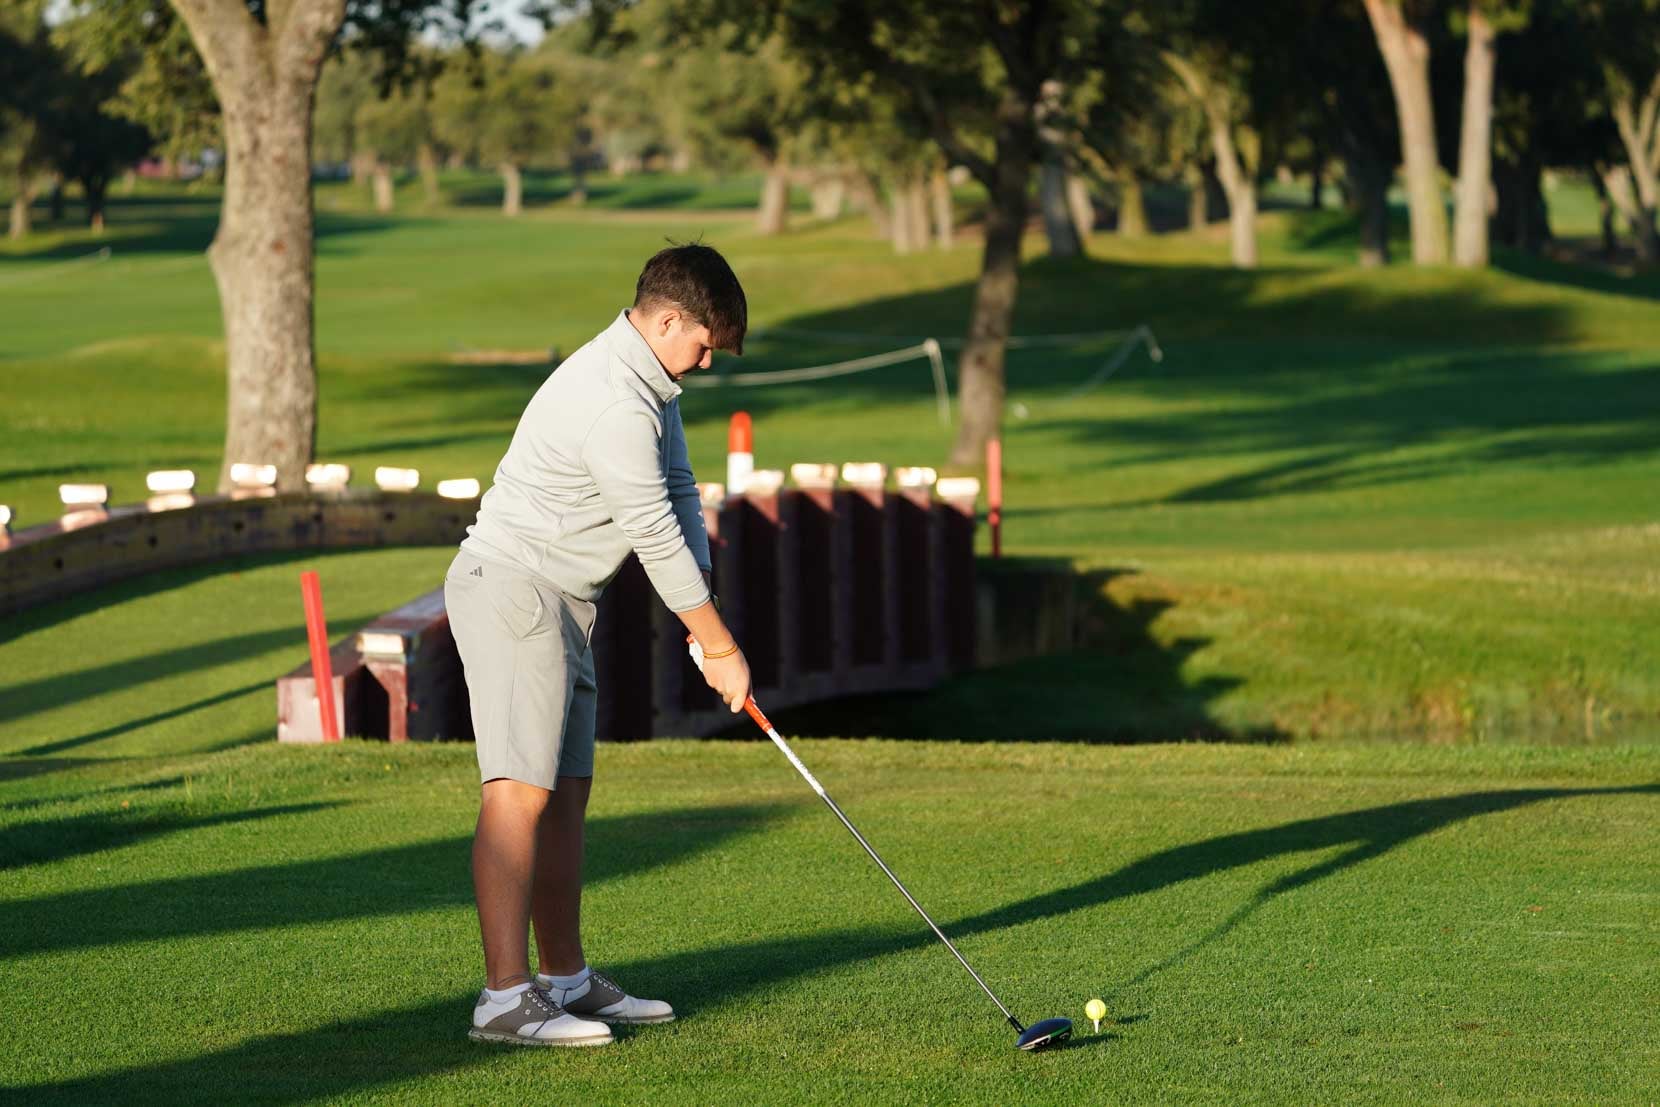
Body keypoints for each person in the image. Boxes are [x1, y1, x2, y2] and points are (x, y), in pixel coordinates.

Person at [444, 243, 753, 1047]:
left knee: (567, 792)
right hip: (516, 589)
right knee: (519, 790)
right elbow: (651, 532)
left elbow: (680, 492)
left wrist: (706, 608)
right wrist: (717, 645)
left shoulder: (653, 384)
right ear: (666, 319)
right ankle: (504, 999)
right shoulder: (615, 400)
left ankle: (565, 979)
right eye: (704, 342)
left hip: (564, 600)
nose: (707, 360)